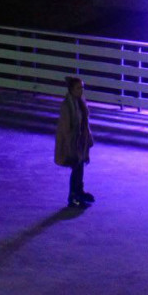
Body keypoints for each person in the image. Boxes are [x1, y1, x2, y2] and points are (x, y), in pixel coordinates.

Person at [56, 76, 95, 207]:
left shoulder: (80, 102)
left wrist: (86, 138)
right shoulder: (67, 106)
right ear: (71, 90)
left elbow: (84, 121)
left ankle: (79, 191)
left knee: (80, 166)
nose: (81, 90)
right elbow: (66, 128)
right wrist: (71, 145)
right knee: (76, 167)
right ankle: (73, 196)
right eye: (78, 88)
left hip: (81, 141)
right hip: (72, 142)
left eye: (82, 87)